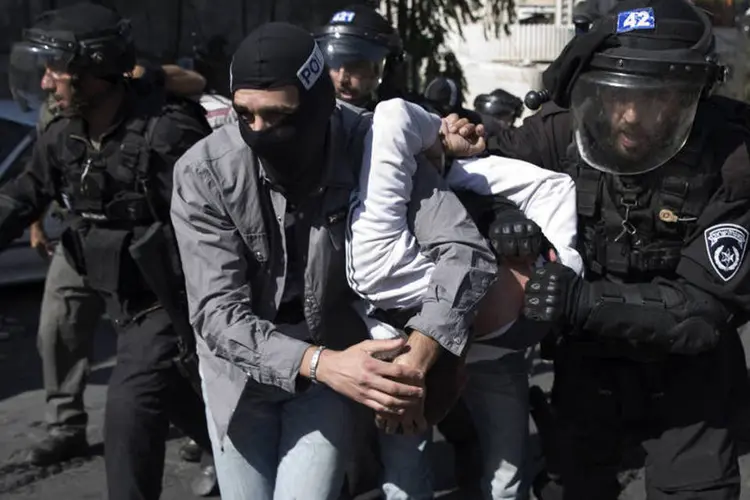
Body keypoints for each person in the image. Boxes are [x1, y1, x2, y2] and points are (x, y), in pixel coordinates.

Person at [169, 22, 497, 500]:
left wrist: (421, 354)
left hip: (338, 363)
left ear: (318, 106)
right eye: (245, 115)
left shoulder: (371, 144)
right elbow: (217, 314)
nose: (260, 133)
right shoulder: (204, 172)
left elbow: (464, 252)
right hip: (237, 377)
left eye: (279, 116)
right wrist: (321, 364)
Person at [458, 0, 750, 497]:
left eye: (656, 98)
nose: (632, 117)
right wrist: (502, 218)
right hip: (587, 370)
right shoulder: (561, 128)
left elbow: (703, 311)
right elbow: (472, 176)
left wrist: (579, 302)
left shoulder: (733, 157)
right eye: (616, 98)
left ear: (695, 94)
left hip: (689, 382)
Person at [1, 4, 213, 499]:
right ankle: (237, 452)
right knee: (181, 396)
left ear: (95, 69)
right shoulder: (62, 135)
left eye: (57, 70)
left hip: (166, 301)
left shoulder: (167, 133)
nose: (49, 83)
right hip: (116, 298)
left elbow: (221, 225)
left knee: (129, 409)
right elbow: (22, 194)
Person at [346, 97, 583, 500]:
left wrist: (444, 156)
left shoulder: (381, 269)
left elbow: (393, 116)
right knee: (407, 474)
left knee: (504, 477)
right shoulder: (520, 320)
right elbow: (556, 189)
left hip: (481, 354)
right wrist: (561, 266)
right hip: (491, 348)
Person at [315, 5, 407, 110]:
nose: (342, 79)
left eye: (355, 66)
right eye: (334, 63)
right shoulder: (311, 117)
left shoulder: (410, 120)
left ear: (387, 69)